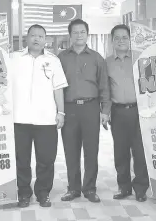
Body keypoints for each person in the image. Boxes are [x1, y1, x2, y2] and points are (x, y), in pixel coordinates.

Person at [12, 24, 68, 208]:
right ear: (26, 38)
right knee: (22, 160)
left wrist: (61, 112)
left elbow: (58, 88)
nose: (36, 39)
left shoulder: (53, 60)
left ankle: (43, 192)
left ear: (46, 39)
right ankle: (23, 193)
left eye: (40, 36)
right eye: (33, 35)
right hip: (19, 118)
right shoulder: (14, 58)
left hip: (46, 119)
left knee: (46, 159)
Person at [58, 19, 111, 203]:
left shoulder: (97, 58)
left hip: (90, 108)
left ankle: (89, 188)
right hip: (69, 108)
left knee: (91, 150)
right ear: (70, 35)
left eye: (82, 32)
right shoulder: (61, 58)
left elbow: (104, 86)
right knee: (70, 151)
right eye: (75, 32)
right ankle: (73, 189)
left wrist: (105, 110)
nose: (79, 35)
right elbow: (55, 87)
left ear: (87, 34)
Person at [106, 24, 149, 202]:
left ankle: (141, 189)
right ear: (112, 40)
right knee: (120, 152)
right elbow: (105, 90)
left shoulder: (141, 58)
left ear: (130, 39)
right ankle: (124, 187)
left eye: (124, 37)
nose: (121, 41)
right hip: (118, 113)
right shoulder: (106, 62)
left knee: (140, 152)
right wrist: (105, 112)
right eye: (117, 38)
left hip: (140, 112)